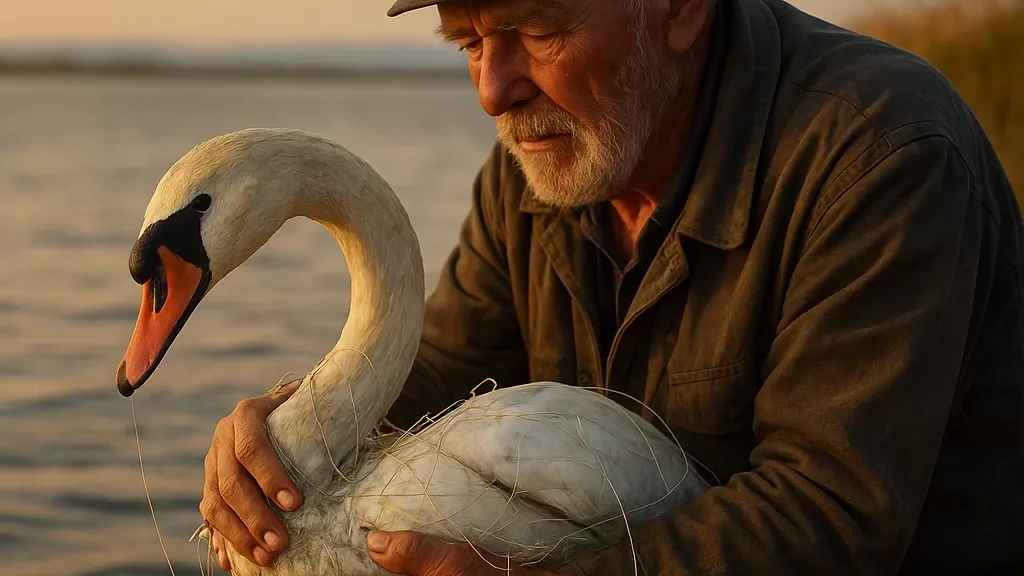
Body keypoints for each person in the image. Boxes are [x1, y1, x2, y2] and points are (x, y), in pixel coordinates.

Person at [198, 0, 1024, 573]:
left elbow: (830, 514)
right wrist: (284, 436)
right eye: (469, 44)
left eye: (535, 30)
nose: (492, 92)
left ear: (680, 9)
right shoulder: (541, 170)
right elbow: (437, 371)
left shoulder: (879, 159)